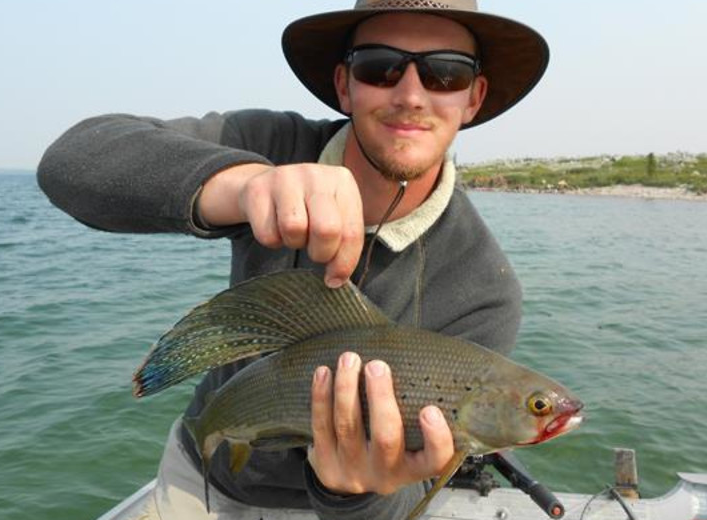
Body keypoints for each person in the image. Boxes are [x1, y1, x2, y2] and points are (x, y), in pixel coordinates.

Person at [37, 1, 549, 518]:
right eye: (380, 66)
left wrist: (356, 491)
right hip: (201, 473)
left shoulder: (486, 288)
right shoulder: (274, 146)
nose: (411, 94)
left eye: (445, 73)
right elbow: (73, 159)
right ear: (345, 84)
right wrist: (242, 185)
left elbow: (411, 497)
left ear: (473, 97)